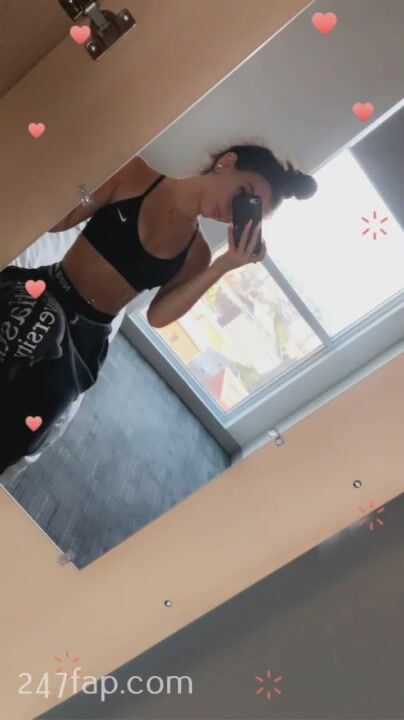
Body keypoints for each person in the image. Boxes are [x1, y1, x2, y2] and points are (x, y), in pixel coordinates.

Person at [0, 142, 317, 473]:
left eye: (244, 212)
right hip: (49, 288)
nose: (231, 210)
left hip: (84, 340)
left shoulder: (197, 254)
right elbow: (58, 222)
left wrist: (225, 264)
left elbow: (158, 316)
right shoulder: (134, 174)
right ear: (227, 162)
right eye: (243, 193)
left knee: (22, 426)